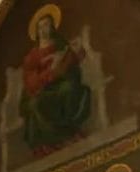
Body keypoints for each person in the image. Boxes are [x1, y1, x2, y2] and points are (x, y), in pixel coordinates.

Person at [19, 5, 91, 157]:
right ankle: (57, 139)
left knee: (69, 88)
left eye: (47, 25)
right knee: (37, 103)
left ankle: (69, 133)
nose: (44, 29)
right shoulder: (32, 56)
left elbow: (72, 62)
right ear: (37, 32)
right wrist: (51, 70)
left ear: (52, 26)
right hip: (41, 90)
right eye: (41, 27)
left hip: (60, 84)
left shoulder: (60, 44)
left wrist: (76, 54)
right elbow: (31, 81)